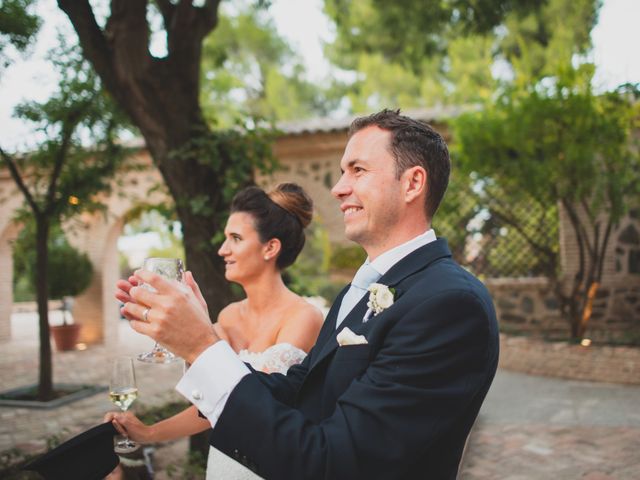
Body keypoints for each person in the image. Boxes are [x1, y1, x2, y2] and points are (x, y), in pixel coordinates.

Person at [121, 109, 500, 479]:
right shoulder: (361, 289)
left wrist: (201, 345)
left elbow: (339, 462)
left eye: (358, 170)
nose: (338, 188)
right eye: (340, 172)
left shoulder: (450, 303)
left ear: (412, 183)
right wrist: (200, 339)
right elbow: (299, 388)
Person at [109, 183, 323, 479]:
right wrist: (167, 328)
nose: (223, 250)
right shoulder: (228, 316)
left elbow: (248, 402)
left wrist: (151, 432)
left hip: (271, 465)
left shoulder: (305, 317)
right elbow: (212, 405)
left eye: (235, 238)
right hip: (224, 463)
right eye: (225, 239)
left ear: (270, 248)